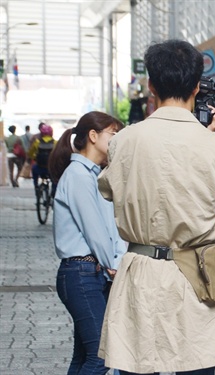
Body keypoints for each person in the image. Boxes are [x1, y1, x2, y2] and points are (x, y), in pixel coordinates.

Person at [97, 39, 215, 375]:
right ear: (196, 87)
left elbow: (107, 189)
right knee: (197, 366)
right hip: (195, 275)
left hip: (140, 273)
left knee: (136, 366)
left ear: (150, 86)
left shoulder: (124, 141)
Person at [48, 111, 127, 375]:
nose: (117, 140)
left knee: (83, 356)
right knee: (99, 356)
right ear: (93, 136)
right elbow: (95, 231)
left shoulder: (93, 174)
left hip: (88, 274)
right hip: (82, 274)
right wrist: (113, 264)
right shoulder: (79, 175)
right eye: (113, 135)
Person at [29, 124, 57, 196]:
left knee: (34, 170)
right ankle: (53, 191)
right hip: (51, 169)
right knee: (56, 178)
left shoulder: (37, 142)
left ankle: (36, 186)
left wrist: (33, 157)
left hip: (40, 168)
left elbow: (31, 153)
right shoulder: (55, 143)